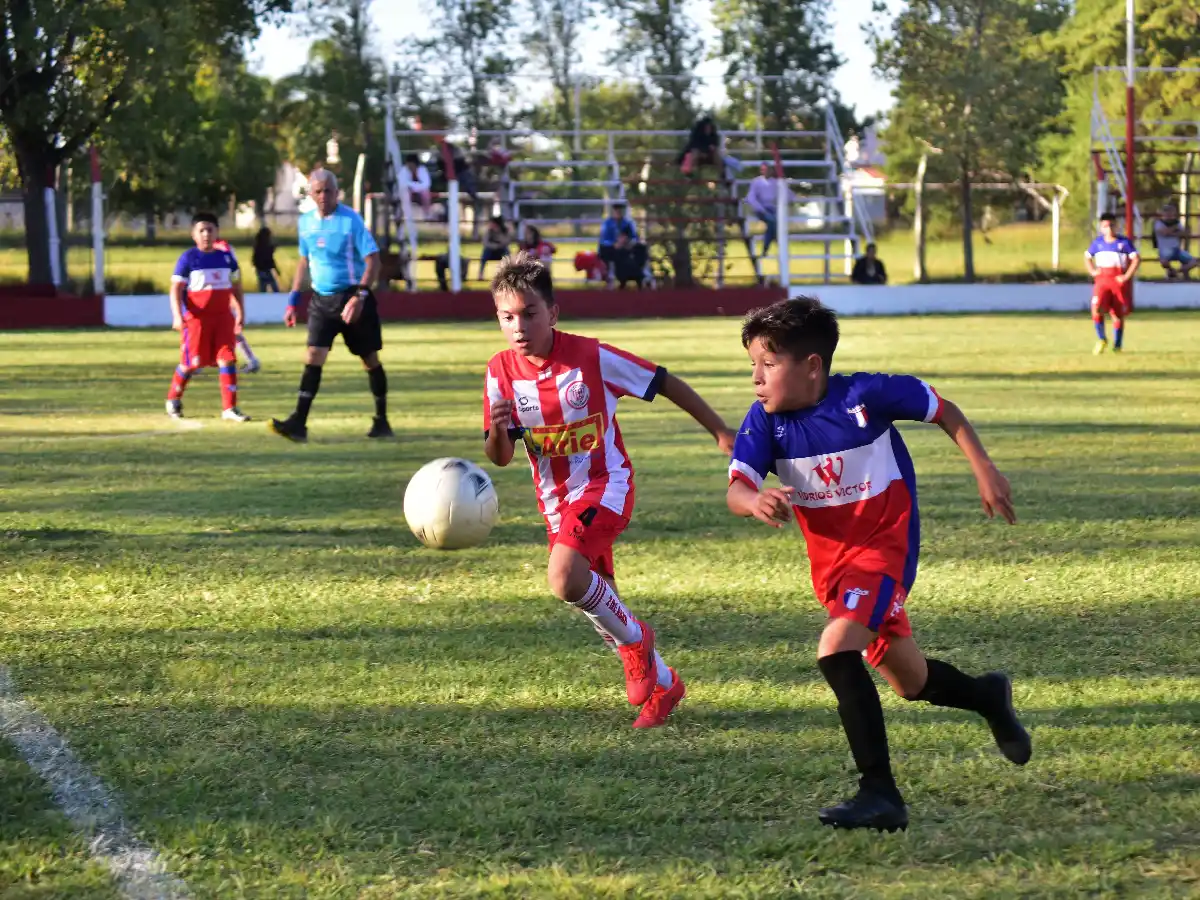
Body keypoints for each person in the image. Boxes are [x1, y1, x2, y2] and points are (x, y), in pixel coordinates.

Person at [726, 297, 1030, 832]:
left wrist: (985, 470)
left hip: (884, 553)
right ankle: (987, 695)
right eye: (752, 364)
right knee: (911, 682)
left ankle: (880, 792)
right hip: (835, 571)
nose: (755, 377)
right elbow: (738, 486)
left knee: (835, 647)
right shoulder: (766, 423)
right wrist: (752, 500)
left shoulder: (865, 396)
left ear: (813, 365)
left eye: (767, 364)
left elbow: (944, 410)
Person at [483, 252, 736, 728]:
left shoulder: (591, 357)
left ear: (553, 313)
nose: (519, 326)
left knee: (563, 579)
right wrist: (498, 431)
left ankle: (640, 643)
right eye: (507, 317)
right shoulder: (499, 373)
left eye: (530, 314)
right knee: (603, 609)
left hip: (606, 486)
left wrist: (719, 430)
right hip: (556, 506)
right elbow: (500, 457)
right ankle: (664, 685)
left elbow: (664, 382)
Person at [269, 168, 393, 443]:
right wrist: (292, 300)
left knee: (369, 358)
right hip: (321, 301)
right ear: (310, 194)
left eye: (329, 190)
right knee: (313, 355)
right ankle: (299, 423)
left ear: (337, 192)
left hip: (352, 298)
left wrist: (359, 296)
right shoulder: (306, 223)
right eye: (318, 191)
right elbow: (304, 260)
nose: (324, 195)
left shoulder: (351, 221)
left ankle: (382, 420)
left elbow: (373, 259)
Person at [165, 213, 250, 422]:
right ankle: (173, 399)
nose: (206, 234)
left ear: (217, 233)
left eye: (210, 230)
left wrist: (240, 312)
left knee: (227, 358)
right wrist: (177, 316)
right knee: (192, 363)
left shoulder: (227, 258)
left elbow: (236, 287)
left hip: (222, 318)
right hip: (197, 320)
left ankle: (230, 408)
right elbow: (176, 288)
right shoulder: (188, 258)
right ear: (194, 234)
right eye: (201, 230)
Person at [1085, 213, 1140, 354]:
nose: (1109, 228)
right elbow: (1087, 257)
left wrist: (1126, 276)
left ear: (1116, 226)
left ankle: (1117, 344)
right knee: (1096, 308)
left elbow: (1136, 259)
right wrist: (1092, 271)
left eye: (1111, 225)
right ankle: (1102, 338)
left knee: (1117, 313)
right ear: (1101, 228)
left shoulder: (1124, 243)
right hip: (1102, 280)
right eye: (1105, 226)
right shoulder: (1097, 243)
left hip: (1117, 280)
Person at [213, 237, 261, 373]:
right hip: (221, 292)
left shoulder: (221, 247)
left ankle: (251, 360)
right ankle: (251, 359)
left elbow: (232, 270)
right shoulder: (222, 246)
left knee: (231, 330)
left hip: (222, 292)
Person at [598, 203, 647, 288]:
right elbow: (603, 240)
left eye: (620, 211)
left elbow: (634, 237)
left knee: (641, 249)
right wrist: (614, 244)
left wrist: (629, 242)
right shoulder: (607, 224)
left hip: (626, 246)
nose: (618, 213)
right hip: (611, 248)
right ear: (613, 212)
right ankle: (622, 279)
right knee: (620, 254)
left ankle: (639, 276)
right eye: (616, 211)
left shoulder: (628, 223)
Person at [745, 163, 783, 256]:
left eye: (765, 169)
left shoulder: (776, 182)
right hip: (761, 209)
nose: (764, 171)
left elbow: (786, 195)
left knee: (772, 222)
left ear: (770, 171)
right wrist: (761, 209)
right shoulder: (756, 182)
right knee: (773, 221)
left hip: (773, 210)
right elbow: (751, 198)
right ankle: (778, 245)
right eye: (762, 169)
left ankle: (765, 249)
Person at [1152, 202, 1198, 280]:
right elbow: (1165, 232)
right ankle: (1171, 272)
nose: (1169, 214)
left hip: (1177, 250)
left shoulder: (1177, 222)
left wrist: (1173, 232)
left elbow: (1184, 233)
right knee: (1164, 261)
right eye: (1167, 212)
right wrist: (1175, 230)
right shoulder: (1159, 223)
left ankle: (1176, 272)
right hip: (1165, 251)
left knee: (1194, 262)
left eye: (1171, 212)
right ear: (1163, 213)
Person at [400, 153, 432, 217]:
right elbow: (402, 183)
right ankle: (406, 215)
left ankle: (426, 215)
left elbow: (426, 184)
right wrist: (416, 186)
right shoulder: (404, 170)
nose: (410, 167)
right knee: (405, 193)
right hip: (408, 192)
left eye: (411, 165)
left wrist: (412, 186)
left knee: (426, 194)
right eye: (408, 165)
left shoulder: (422, 169)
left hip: (420, 192)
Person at [479, 216, 511, 281]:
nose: (490, 225)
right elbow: (485, 242)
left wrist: (498, 234)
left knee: (507, 251)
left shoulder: (504, 231)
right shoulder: (489, 232)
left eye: (492, 223)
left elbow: (506, 242)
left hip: (501, 251)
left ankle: (507, 274)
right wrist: (495, 246)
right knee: (485, 252)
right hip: (491, 252)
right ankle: (480, 274)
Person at [252, 227, 282, 293]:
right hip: (266, 270)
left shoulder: (258, 246)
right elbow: (270, 260)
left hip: (260, 270)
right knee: (275, 289)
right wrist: (277, 270)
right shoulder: (266, 247)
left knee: (263, 289)